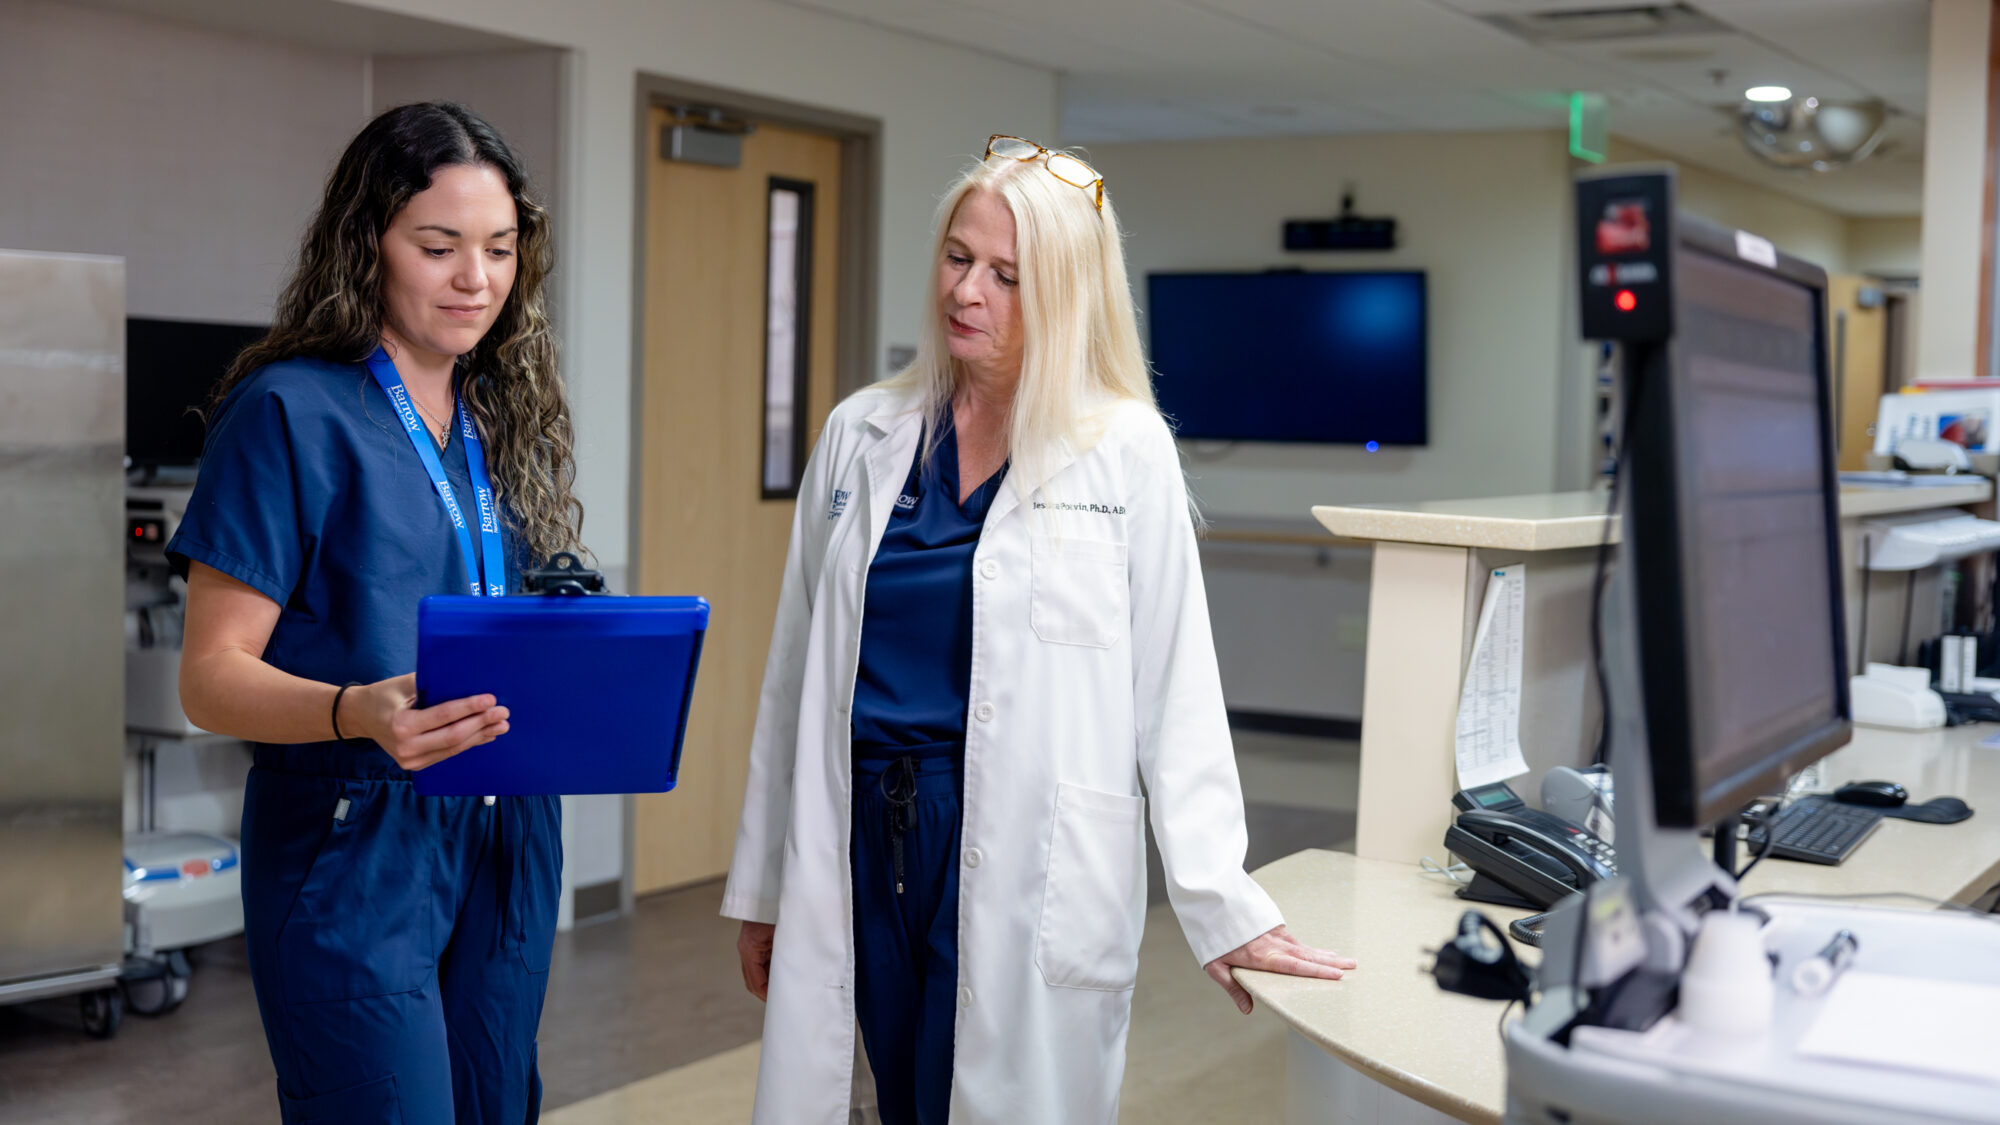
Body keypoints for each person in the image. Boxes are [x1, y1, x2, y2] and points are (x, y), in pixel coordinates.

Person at [723, 135, 1357, 1125]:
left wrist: (1218, 901)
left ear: (1064, 293)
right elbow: (795, 671)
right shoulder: (862, 433)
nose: (966, 291)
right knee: (879, 1094)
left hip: (1025, 848)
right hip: (862, 833)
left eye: (1006, 275)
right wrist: (763, 883)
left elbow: (1174, 690)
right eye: (957, 258)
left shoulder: (1122, 453)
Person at [171, 102, 579, 1124]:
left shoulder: (497, 416)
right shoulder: (289, 413)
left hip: (502, 828)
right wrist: (361, 710)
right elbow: (209, 677)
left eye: (498, 249)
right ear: (369, 245)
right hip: (357, 840)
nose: (474, 279)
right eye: (437, 247)